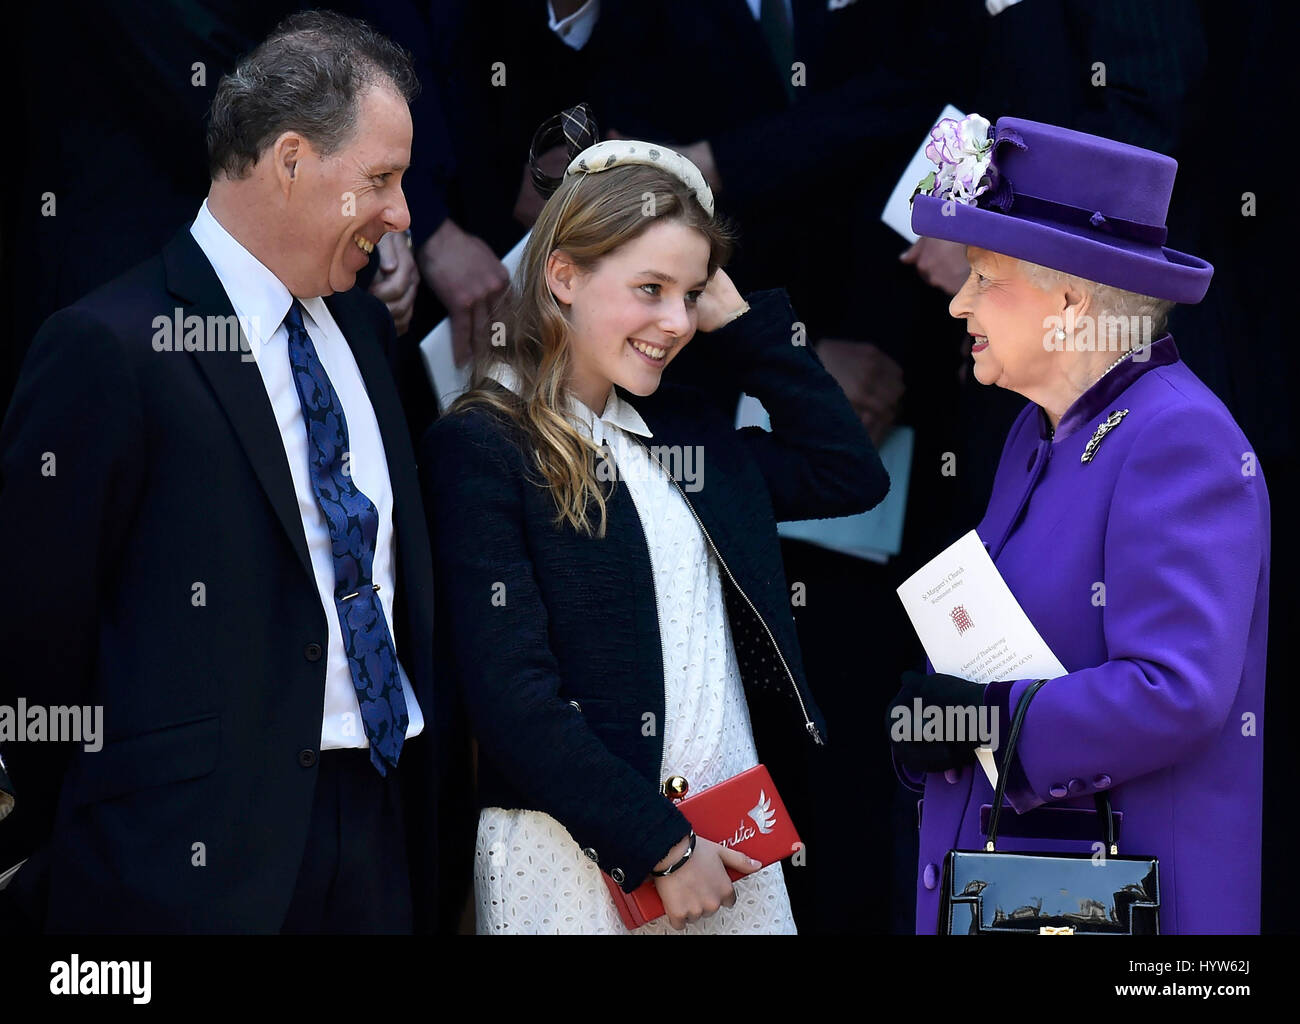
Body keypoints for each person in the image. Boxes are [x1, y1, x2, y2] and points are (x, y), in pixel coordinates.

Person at [0, 11, 460, 934]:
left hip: (379, 841)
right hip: (180, 871)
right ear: (291, 161)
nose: (404, 214)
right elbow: (34, 642)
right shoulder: (108, 346)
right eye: (382, 180)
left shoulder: (368, 335)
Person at [421, 112, 888, 933]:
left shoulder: (688, 432)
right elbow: (514, 701)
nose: (675, 321)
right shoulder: (485, 445)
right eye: (649, 289)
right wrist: (662, 849)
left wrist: (743, 326)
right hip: (575, 857)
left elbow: (846, 472)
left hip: (729, 846)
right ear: (561, 274)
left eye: (692, 292)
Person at [889, 114, 1269, 934]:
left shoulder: (1179, 439)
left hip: (1126, 918)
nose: (958, 302)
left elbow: (1177, 693)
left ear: (1068, 301)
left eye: (984, 277)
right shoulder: (1037, 429)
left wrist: (989, 720)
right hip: (1028, 899)